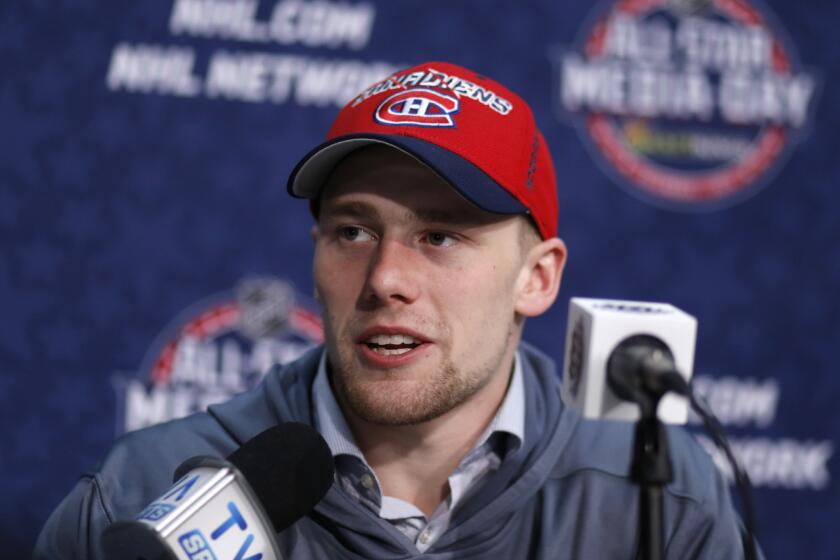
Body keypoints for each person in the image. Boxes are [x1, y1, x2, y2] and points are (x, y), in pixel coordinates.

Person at [36, 61, 751, 559]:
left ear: (536, 278)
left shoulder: (661, 499)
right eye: (353, 231)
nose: (385, 279)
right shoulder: (145, 495)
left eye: (441, 235)